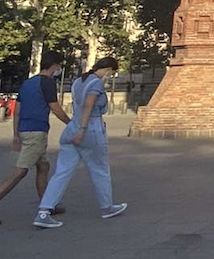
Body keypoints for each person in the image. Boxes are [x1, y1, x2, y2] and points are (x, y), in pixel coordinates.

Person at [33, 57, 127, 229]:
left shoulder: (78, 81)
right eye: (111, 73)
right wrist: (82, 129)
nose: (110, 76)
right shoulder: (96, 84)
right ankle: (107, 207)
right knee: (100, 169)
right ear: (108, 70)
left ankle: (44, 211)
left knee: (62, 172)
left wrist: (76, 127)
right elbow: (88, 106)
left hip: (71, 127)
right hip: (90, 128)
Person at [0, 50, 71, 224]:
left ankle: (47, 203)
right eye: (59, 66)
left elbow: (17, 111)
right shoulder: (47, 83)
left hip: (25, 130)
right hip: (37, 131)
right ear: (54, 66)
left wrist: (16, 135)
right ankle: (45, 209)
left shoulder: (27, 83)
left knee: (43, 166)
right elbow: (55, 107)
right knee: (20, 171)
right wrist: (71, 123)